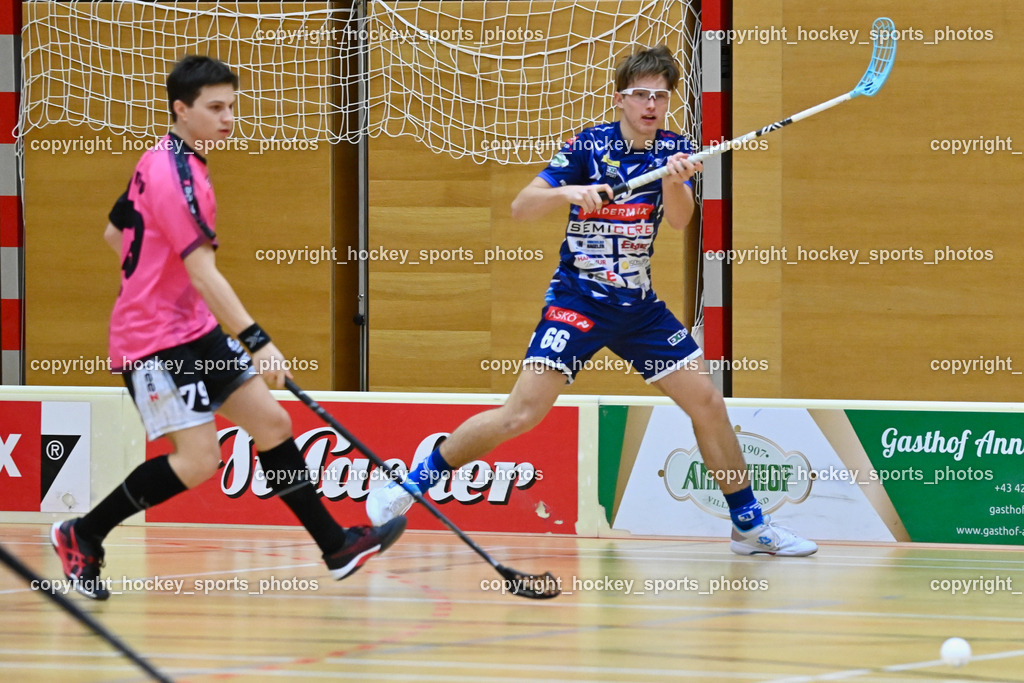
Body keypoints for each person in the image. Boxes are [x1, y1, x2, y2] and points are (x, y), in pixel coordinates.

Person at [368, 46, 816, 557]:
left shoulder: (673, 148)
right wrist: (570, 193)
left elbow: (678, 220)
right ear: (620, 98)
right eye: (641, 95)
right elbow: (521, 207)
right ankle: (409, 485)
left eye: (661, 97)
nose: (651, 105)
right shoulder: (587, 146)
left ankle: (749, 527)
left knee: (708, 402)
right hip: (578, 300)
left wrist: (676, 181)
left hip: (639, 307)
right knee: (521, 415)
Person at [50, 56, 406, 600]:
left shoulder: (159, 157)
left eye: (232, 106)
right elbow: (200, 268)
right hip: (152, 345)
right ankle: (84, 532)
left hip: (192, 329)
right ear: (181, 109)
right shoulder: (178, 179)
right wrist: (257, 341)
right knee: (197, 462)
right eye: (215, 108)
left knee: (273, 423)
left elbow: (114, 231)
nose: (228, 118)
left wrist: (155, 280)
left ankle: (336, 547)